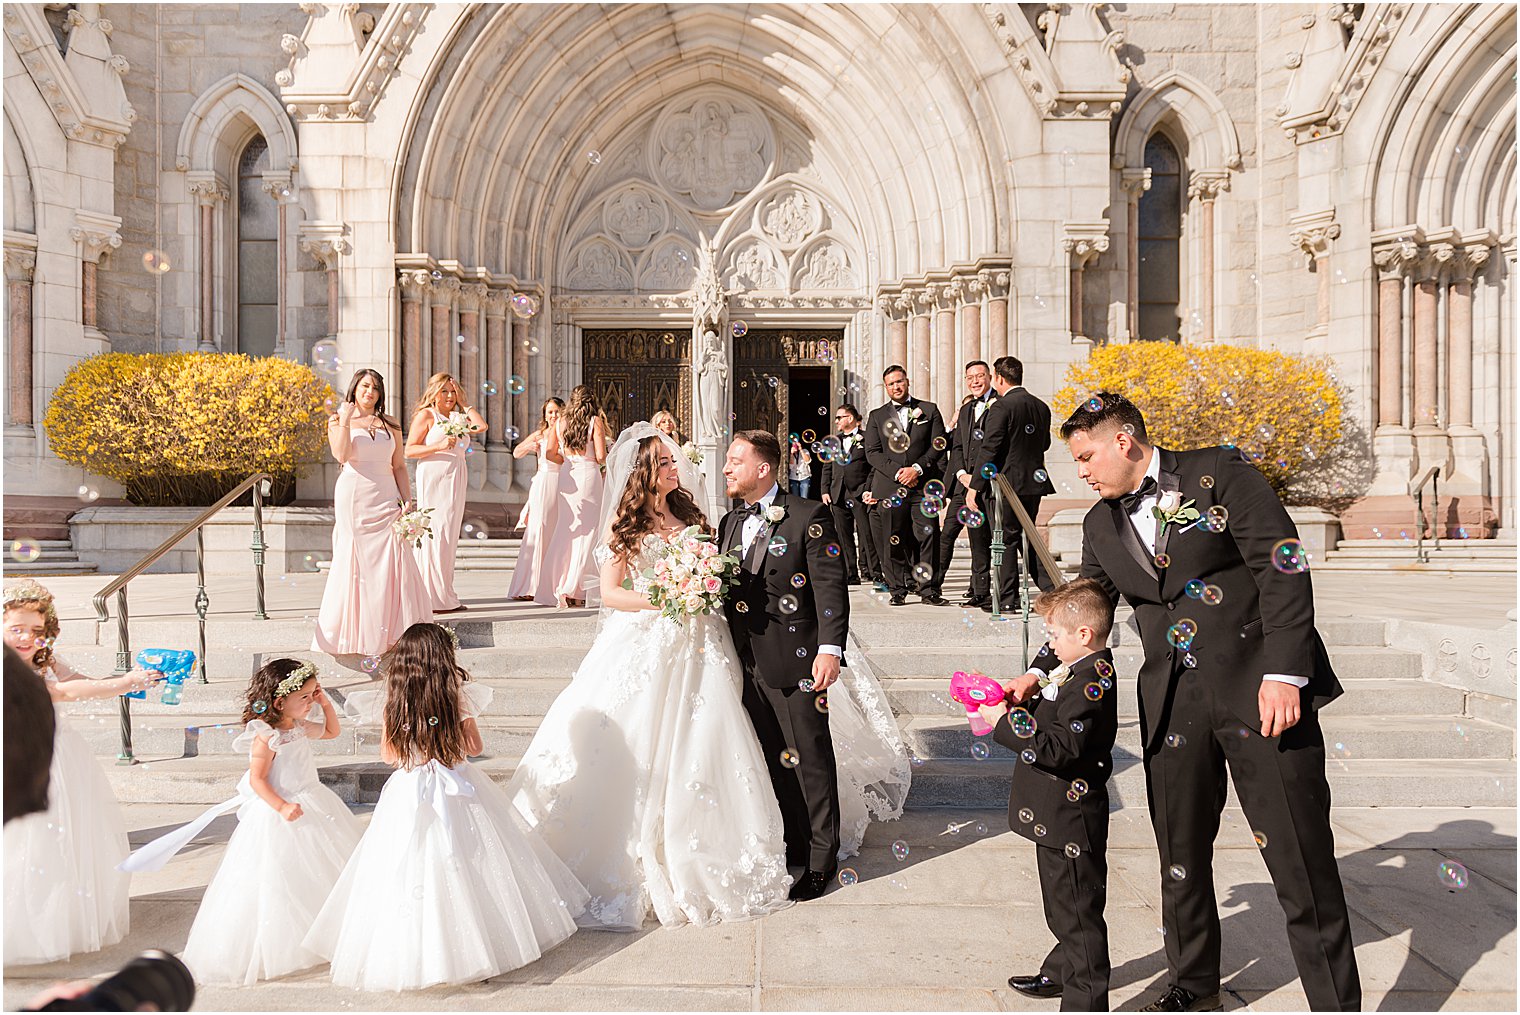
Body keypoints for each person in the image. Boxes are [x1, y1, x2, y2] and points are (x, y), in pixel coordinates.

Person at [1005, 393, 1360, 1013]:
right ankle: (1194, 985)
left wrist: (1285, 672)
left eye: (1087, 457)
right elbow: (1085, 613)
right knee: (1181, 855)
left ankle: (1334, 1005)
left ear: (1124, 441)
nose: (1082, 472)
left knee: (1300, 863)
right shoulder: (1098, 524)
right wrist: (1040, 671)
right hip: (1172, 708)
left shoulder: (1218, 473)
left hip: (1262, 697)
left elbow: (1285, 566)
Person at [511, 424, 908, 927]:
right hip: (680, 644)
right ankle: (780, 839)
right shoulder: (658, 523)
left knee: (793, 749)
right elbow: (611, 593)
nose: (687, 468)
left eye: (732, 460)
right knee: (751, 751)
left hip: (742, 648)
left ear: (762, 468)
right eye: (667, 463)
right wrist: (669, 597)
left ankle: (819, 855)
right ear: (645, 473)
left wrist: (829, 648)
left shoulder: (720, 517)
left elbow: (827, 587)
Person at [305, 623, 588, 990]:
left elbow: (390, 755)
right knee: (472, 861)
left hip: (410, 789)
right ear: (443, 658)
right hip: (459, 787)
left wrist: (416, 745)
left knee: (408, 861)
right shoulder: (455, 696)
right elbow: (472, 747)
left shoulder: (396, 699)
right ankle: (481, 946)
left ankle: (417, 952)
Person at [120, 659, 362, 985]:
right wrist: (281, 806)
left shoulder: (300, 727)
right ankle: (288, 942)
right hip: (281, 810)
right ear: (279, 701)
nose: (310, 700)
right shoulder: (268, 736)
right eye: (304, 696)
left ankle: (327, 932)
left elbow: (333, 731)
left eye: (311, 694)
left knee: (319, 869)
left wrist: (324, 702)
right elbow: (259, 780)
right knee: (279, 877)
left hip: (312, 801)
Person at [2, 580, 163, 965]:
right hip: (24, 760)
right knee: (25, 842)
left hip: (64, 760)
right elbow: (60, 694)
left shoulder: (46, 661)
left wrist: (131, 681)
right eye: (17, 629)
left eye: (37, 631)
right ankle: (18, 928)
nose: (27, 638)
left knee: (64, 841)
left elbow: (82, 684)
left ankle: (62, 922)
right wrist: (124, 682)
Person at [982, 579, 1118, 1012]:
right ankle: (1061, 972)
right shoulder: (1077, 669)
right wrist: (1017, 706)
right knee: (1063, 906)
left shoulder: (1091, 681)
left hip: (1071, 818)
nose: (1049, 644)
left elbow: (1059, 749)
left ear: (1084, 635)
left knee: (1077, 914)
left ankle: (1085, 1000)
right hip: (1057, 815)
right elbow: (1050, 726)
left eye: (1054, 634)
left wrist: (1003, 723)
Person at [313, 369, 433, 657]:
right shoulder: (337, 420)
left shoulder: (389, 423)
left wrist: (407, 500)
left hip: (386, 494)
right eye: (365, 386)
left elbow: (399, 465)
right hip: (355, 497)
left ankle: (395, 628)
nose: (370, 391)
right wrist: (344, 418)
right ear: (355, 388)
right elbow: (341, 455)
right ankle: (356, 631)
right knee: (358, 561)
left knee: (392, 558)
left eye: (376, 387)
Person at [966, 355, 1058, 608]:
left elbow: (989, 449)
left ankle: (1007, 598)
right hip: (1033, 483)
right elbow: (1045, 444)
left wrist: (975, 487)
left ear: (999, 379)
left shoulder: (1001, 407)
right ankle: (1053, 588)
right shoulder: (1041, 406)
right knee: (1026, 537)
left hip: (1007, 485)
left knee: (1005, 539)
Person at [862, 365, 948, 606]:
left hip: (922, 487)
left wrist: (917, 469)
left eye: (899, 382)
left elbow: (938, 445)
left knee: (929, 534)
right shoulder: (876, 416)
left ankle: (929, 590)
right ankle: (897, 588)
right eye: (890, 384)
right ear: (885, 387)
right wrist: (898, 473)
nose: (896, 387)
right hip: (890, 487)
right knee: (892, 538)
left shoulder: (929, 410)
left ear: (907, 382)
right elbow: (872, 452)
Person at [406, 373, 486, 613]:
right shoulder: (426, 415)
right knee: (435, 533)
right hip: (434, 474)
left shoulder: (457, 417)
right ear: (434, 392)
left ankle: (444, 594)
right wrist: (438, 446)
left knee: (449, 535)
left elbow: (482, 426)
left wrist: (464, 403)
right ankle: (428, 596)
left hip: (455, 474)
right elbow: (410, 450)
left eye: (453, 391)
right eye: (445, 391)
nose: (449, 396)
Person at [928, 361, 997, 607]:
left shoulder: (1000, 406)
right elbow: (956, 447)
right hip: (960, 485)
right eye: (970, 377)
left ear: (990, 377)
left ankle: (980, 592)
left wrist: (976, 480)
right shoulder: (966, 410)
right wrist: (959, 474)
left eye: (980, 376)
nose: (975, 381)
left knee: (979, 539)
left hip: (984, 486)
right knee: (946, 535)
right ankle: (932, 587)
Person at [540, 384, 608, 608]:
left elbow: (549, 453)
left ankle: (555, 585)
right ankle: (577, 589)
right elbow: (600, 456)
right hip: (588, 475)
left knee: (565, 530)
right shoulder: (594, 422)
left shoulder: (559, 423)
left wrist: (567, 461)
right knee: (587, 533)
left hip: (567, 475)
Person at [507, 397, 565, 602]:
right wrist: (528, 446)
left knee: (557, 531)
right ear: (545, 415)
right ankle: (532, 584)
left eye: (557, 411)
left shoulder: (566, 434)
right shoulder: (540, 434)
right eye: (550, 412)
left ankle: (555, 583)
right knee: (539, 529)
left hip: (563, 483)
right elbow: (516, 452)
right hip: (544, 483)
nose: (553, 416)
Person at [818, 403, 873, 585]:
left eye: (839, 417)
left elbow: (873, 466)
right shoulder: (834, 442)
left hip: (860, 492)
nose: (836, 421)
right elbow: (827, 468)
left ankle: (871, 570)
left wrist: (870, 489)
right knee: (844, 535)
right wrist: (825, 491)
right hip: (838, 493)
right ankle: (851, 573)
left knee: (866, 533)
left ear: (850, 418)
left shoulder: (868, 438)